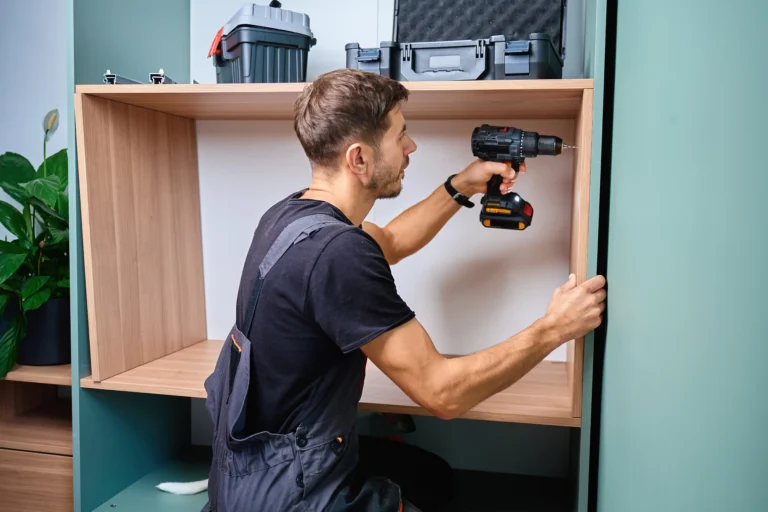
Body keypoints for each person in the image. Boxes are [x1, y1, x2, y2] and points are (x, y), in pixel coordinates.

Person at [202, 69, 607, 512]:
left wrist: (462, 185)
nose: (411, 147)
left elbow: (391, 241)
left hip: (248, 474)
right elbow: (442, 392)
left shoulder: (289, 218)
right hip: (292, 495)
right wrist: (554, 328)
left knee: (429, 477)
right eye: (401, 135)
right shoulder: (338, 254)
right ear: (358, 159)